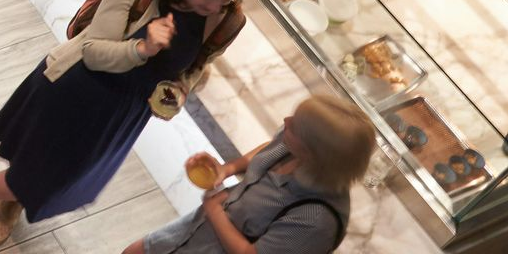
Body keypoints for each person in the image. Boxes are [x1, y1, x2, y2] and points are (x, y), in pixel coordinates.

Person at [0, 0, 250, 254]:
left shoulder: (224, 17)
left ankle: (13, 197)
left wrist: (180, 89)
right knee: (46, 173)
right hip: (79, 89)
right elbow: (94, 52)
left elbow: (197, 64)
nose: (215, 6)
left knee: (66, 175)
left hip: (127, 111)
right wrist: (143, 48)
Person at [126, 95, 373, 254]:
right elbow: (269, 149)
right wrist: (228, 168)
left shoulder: (315, 221)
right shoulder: (294, 145)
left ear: (314, 152)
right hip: (194, 232)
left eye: (295, 126)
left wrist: (214, 211)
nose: (285, 122)